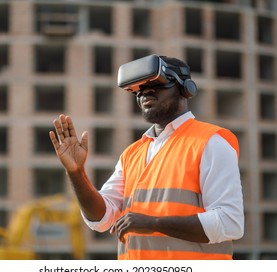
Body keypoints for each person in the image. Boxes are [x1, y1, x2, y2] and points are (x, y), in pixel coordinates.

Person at [49, 55, 244, 260]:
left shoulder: (211, 142)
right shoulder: (132, 154)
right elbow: (101, 219)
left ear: (186, 88)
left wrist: (153, 223)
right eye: (139, 88)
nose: (145, 92)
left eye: (156, 83)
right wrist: (76, 172)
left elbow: (230, 223)